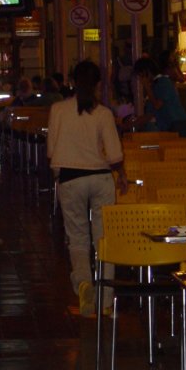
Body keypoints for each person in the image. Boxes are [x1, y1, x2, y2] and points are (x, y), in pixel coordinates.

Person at [47, 60, 128, 317]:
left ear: (72, 81)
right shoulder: (103, 113)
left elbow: (51, 150)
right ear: (98, 84)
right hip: (101, 178)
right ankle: (105, 300)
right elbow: (114, 154)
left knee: (78, 239)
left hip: (70, 178)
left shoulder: (58, 109)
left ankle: (83, 284)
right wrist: (122, 176)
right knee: (103, 239)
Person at [132, 56, 186, 137]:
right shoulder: (155, 85)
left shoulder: (163, 82)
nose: (140, 80)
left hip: (176, 123)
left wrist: (147, 87)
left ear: (146, 72)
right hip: (167, 124)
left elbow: (157, 105)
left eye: (140, 76)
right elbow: (151, 113)